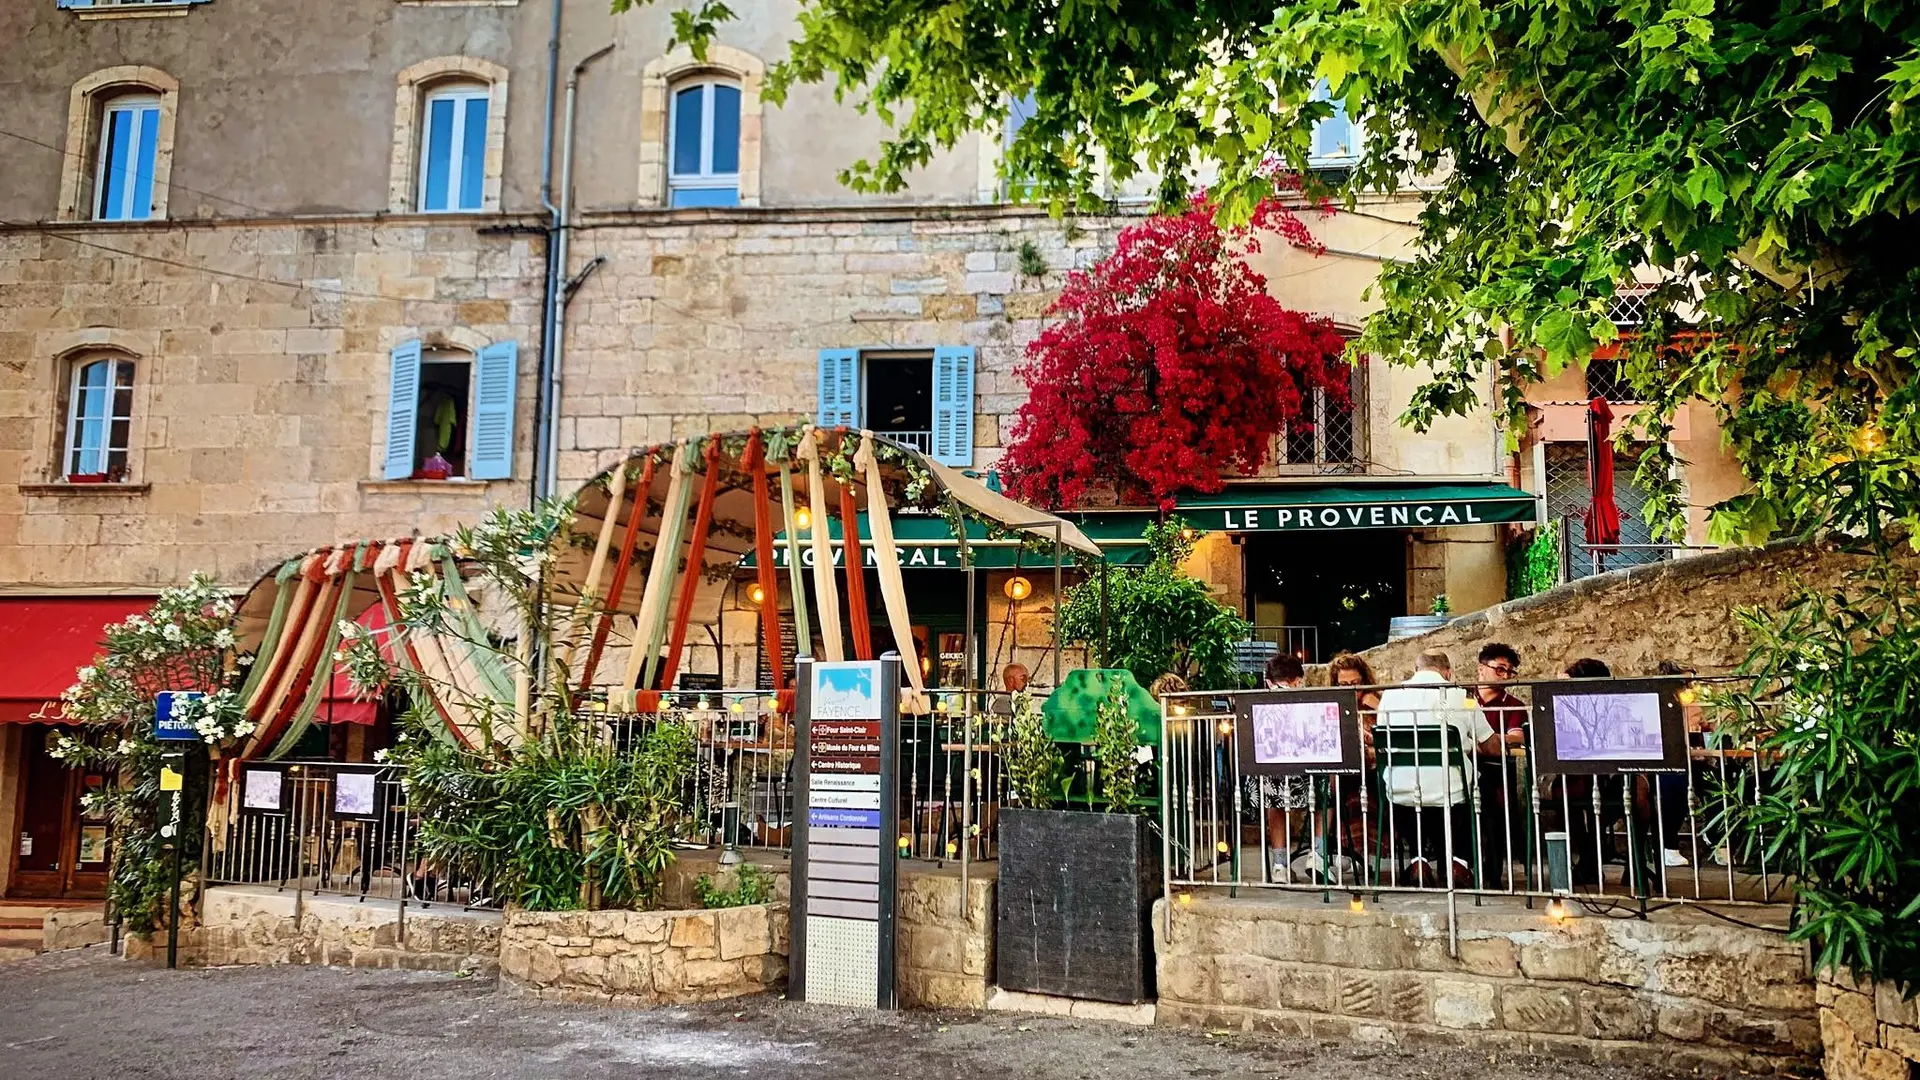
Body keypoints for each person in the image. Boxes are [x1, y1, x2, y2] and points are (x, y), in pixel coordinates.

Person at [1374, 650, 1498, 888]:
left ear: (1416, 670)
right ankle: (1458, 861)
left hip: (1400, 786)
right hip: (1450, 787)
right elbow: (1491, 746)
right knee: (1478, 789)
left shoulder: (1390, 696)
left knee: (1414, 795)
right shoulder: (1462, 695)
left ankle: (1418, 860)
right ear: (1448, 672)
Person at [1248, 654, 1314, 879]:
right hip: (1305, 782)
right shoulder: (1309, 703)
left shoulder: (1256, 704)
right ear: (1299, 681)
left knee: (1273, 798)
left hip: (1262, 785)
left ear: (1268, 682)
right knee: (1328, 790)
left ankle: (1279, 865)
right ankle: (1319, 855)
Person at [1472, 643, 1528, 886]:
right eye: (1500, 669)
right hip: (1460, 768)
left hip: (1494, 770)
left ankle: (1491, 873)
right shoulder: (1462, 696)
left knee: (1490, 803)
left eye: (1509, 671)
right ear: (1481, 669)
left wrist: (1483, 740)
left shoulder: (1513, 704)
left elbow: (1518, 736)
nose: (1505, 676)